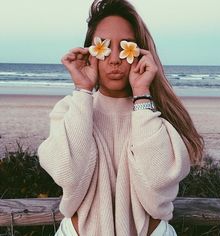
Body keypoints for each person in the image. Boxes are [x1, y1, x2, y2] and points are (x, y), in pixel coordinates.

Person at [38, 0, 204, 235]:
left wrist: (142, 97)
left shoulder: (156, 116)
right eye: (103, 46)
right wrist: (83, 90)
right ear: (89, 53)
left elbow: (156, 183)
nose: (114, 59)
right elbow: (70, 176)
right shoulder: (70, 109)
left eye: (126, 47)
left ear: (140, 54)